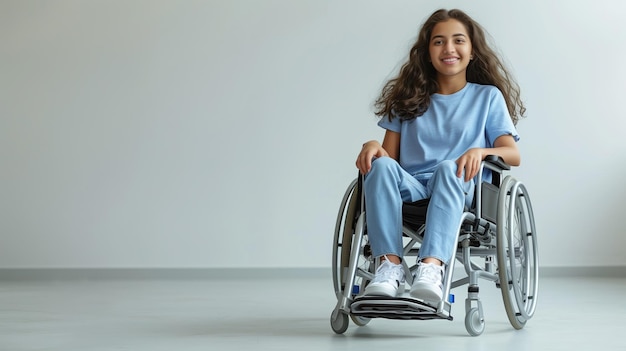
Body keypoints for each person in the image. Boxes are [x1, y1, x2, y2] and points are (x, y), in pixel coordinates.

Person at [355, 8, 525, 303]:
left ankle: (431, 268)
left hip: (459, 186)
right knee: (379, 166)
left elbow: (512, 155)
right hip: (413, 187)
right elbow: (388, 160)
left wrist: (481, 151)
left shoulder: (487, 97)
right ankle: (389, 267)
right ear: (427, 52)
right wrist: (371, 145)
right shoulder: (406, 99)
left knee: (449, 167)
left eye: (458, 40)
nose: (449, 49)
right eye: (438, 42)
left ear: (472, 51)